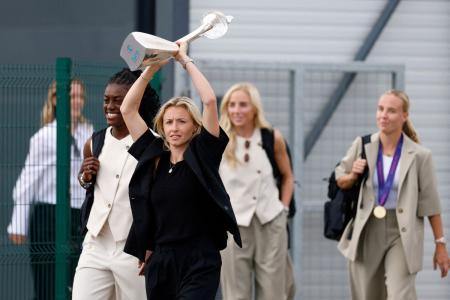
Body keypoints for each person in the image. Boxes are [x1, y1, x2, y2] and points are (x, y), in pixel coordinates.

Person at [119, 42, 242, 300]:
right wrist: (151, 69)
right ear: (162, 126)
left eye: (182, 121)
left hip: (200, 260)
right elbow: (127, 109)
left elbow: (209, 101)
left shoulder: (203, 154)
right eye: (169, 122)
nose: (174, 127)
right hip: (161, 259)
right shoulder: (154, 156)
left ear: (194, 126)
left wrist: (183, 59)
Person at [335, 89, 449, 299]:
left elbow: (431, 203)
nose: (383, 115)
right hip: (367, 227)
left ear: (405, 116)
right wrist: (353, 175)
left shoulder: (420, 156)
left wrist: (440, 244)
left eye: (391, 111)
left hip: (402, 231)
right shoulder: (363, 145)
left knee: (400, 295)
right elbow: (339, 177)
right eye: (380, 109)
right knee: (368, 295)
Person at [72, 69, 160, 299]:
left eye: (118, 100)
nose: (109, 106)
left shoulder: (153, 144)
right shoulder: (94, 142)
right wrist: (84, 177)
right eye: (106, 100)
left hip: (133, 248)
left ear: (134, 101)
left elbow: (160, 198)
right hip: (96, 243)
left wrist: (152, 243)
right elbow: (90, 187)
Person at [7, 79, 93, 300]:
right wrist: (19, 223)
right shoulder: (44, 137)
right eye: (71, 97)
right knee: (47, 283)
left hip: (79, 216)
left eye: (80, 97)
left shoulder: (88, 133)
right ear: (56, 100)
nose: (77, 102)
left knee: (78, 283)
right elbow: (28, 180)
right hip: (49, 216)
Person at [218, 82, 295, 300]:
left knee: (274, 291)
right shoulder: (219, 140)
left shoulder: (272, 137)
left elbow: (288, 176)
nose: (236, 110)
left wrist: (283, 209)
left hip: (270, 222)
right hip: (234, 227)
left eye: (243, 105)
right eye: (232, 105)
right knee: (236, 294)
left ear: (254, 108)